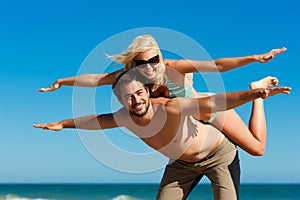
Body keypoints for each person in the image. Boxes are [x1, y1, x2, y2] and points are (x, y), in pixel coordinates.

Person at [34, 70, 291, 200]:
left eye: (139, 93)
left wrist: (254, 95)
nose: (135, 100)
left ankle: (259, 92)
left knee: (257, 149)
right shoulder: (125, 116)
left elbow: (216, 102)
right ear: (121, 101)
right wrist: (62, 124)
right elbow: (97, 120)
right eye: (128, 97)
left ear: (147, 91)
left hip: (217, 154)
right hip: (181, 164)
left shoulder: (169, 106)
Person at [38, 35, 286, 156]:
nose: (149, 66)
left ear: (159, 56)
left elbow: (216, 65)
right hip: (184, 125)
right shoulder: (129, 77)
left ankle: (257, 93)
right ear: (133, 62)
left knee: (257, 149)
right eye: (141, 61)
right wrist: (62, 81)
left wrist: (255, 58)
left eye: (154, 59)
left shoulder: (172, 67)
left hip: (207, 112)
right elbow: (95, 80)